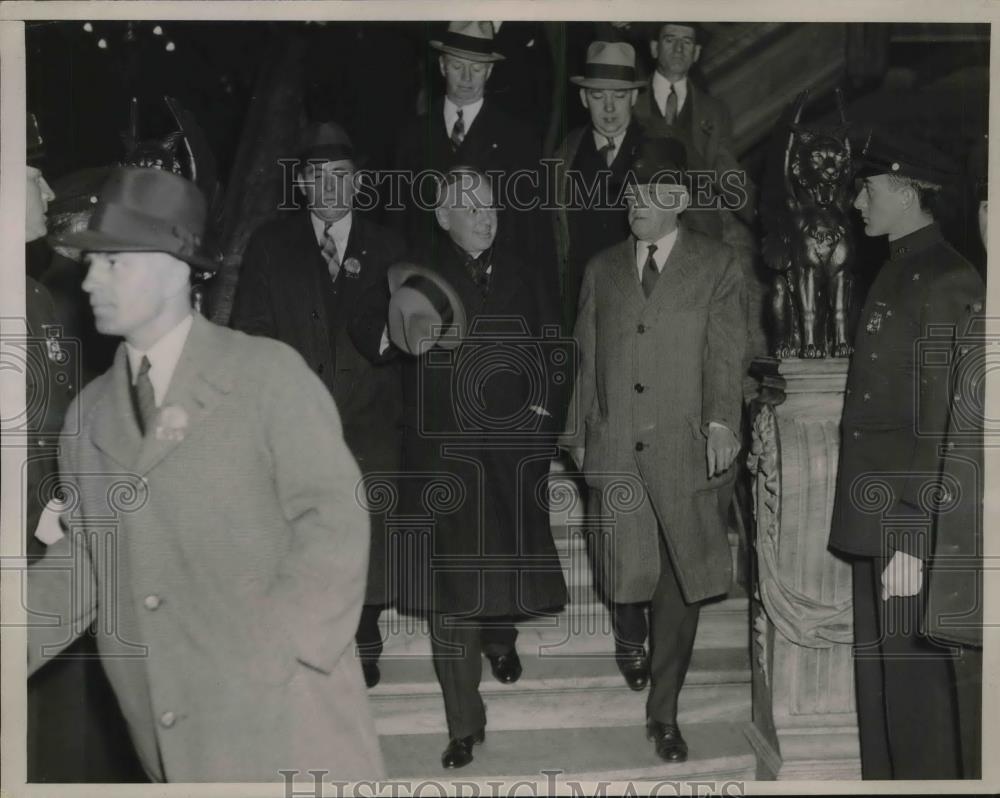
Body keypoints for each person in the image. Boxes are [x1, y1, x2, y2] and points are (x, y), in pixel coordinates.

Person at [26, 166, 383, 782]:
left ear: (174, 267)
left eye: (113, 263)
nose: (90, 281)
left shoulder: (266, 375)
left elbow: (334, 518)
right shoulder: (88, 416)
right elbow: (90, 557)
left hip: (288, 728)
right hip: (173, 745)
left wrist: (273, 650)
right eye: (91, 262)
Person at [359, 167, 569, 769]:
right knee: (453, 596)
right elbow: (366, 333)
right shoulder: (414, 275)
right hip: (444, 459)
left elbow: (556, 351)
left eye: (491, 206)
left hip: (512, 450)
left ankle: (501, 640)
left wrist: (543, 418)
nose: (486, 216)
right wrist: (394, 328)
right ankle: (463, 724)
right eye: (471, 207)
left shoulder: (526, 275)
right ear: (443, 217)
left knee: (503, 568)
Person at [561, 138, 746, 762]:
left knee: (682, 581)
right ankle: (626, 626)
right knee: (626, 572)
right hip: (614, 445)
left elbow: (726, 353)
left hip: (684, 447)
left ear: (680, 202)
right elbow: (585, 357)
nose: (635, 204)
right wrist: (579, 439)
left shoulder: (717, 265)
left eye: (649, 195)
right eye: (630, 194)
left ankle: (664, 712)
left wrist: (723, 422)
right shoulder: (602, 268)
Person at [827, 130, 985, 779]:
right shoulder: (897, 266)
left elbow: (945, 422)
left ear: (900, 188)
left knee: (917, 704)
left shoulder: (947, 278)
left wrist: (913, 537)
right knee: (883, 692)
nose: (857, 201)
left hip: (906, 525)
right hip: (879, 518)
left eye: (866, 188)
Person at [230, 121, 404, 688]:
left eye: (342, 176)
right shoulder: (269, 245)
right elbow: (249, 329)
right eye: (318, 176)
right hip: (294, 417)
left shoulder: (391, 247)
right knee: (303, 527)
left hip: (369, 413)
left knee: (368, 526)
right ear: (302, 185)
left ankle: (366, 631)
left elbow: (411, 331)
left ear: (359, 183)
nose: (331, 187)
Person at [393, 21, 557, 304]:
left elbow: (535, 234)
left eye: (477, 68)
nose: (467, 77)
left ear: (490, 71)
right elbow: (398, 225)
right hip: (429, 293)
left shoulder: (520, 139)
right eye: (458, 66)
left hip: (495, 292)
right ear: (442, 65)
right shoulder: (412, 136)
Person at [552, 40, 646, 334]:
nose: (608, 107)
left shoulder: (657, 151)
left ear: (633, 97)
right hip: (579, 308)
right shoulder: (563, 156)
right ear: (583, 97)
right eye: (597, 95)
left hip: (642, 307)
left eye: (618, 95)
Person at [633, 22, 756, 228]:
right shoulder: (630, 103)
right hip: (642, 222)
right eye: (670, 39)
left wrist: (761, 214)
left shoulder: (715, 111)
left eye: (687, 42)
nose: (679, 49)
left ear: (696, 53)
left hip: (700, 231)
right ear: (654, 48)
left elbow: (727, 172)